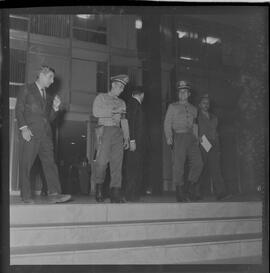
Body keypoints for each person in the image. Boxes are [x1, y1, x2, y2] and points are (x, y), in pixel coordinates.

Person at [15, 65, 71, 203]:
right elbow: (19, 109)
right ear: (41, 74)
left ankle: (55, 193)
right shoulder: (26, 88)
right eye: (50, 77)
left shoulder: (49, 96)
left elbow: (49, 118)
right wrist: (23, 128)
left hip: (45, 135)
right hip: (30, 133)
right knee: (26, 165)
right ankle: (26, 196)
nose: (52, 81)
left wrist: (55, 108)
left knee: (50, 164)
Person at [92, 74, 130, 203]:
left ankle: (115, 193)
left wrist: (126, 137)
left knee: (117, 165)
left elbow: (124, 120)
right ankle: (99, 188)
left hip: (118, 133)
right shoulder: (101, 97)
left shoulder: (122, 102)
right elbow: (95, 112)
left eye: (123, 88)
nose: (121, 90)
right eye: (119, 86)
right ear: (113, 85)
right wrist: (113, 112)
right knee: (102, 163)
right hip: (105, 131)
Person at [164, 80, 203, 202]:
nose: (182, 94)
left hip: (191, 138)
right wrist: (169, 136)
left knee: (198, 163)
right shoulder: (173, 106)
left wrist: (196, 138)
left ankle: (190, 187)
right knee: (178, 165)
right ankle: (180, 192)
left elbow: (195, 125)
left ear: (189, 94)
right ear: (178, 94)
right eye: (180, 92)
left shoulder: (194, 108)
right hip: (179, 136)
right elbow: (167, 123)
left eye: (185, 92)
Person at [197, 94, 231, 201]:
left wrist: (218, 148)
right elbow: (194, 132)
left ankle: (221, 193)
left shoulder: (214, 117)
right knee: (200, 170)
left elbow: (216, 134)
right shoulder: (196, 117)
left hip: (214, 144)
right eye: (204, 103)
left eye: (208, 103)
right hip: (202, 143)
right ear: (199, 105)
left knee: (216, 169)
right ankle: (195, 193)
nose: (206, 105)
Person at [125, 86, 145, 201]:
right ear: (142, 95)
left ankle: (132, 194)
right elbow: (131, 122)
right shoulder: (134, 104)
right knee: (133, 168)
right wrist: (132, 140)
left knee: (133, 168)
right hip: (135, 142)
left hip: (136, 142)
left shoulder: (132, 103)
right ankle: (131, 194)